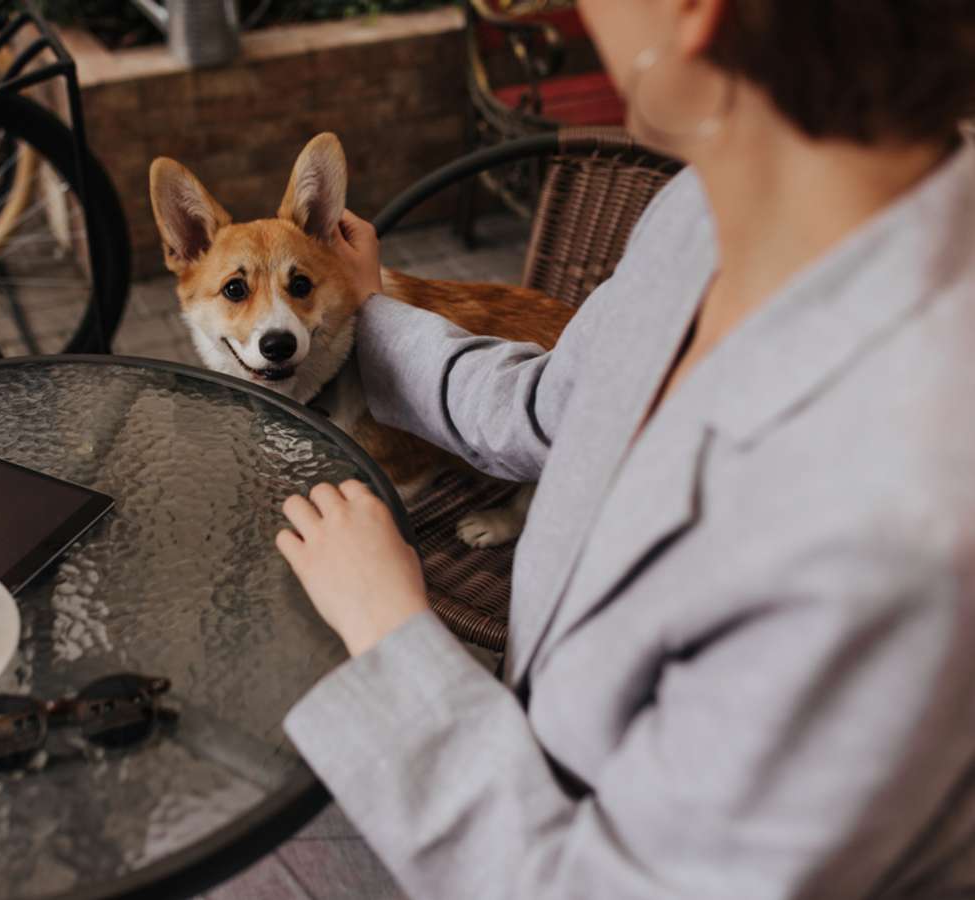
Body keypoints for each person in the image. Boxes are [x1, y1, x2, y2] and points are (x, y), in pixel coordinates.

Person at [272, 0, 975, 896]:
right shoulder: (702, 209)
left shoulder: (897, 525)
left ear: (696, 16)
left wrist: (390, 633)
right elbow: (545, 403)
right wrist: (373, 316)